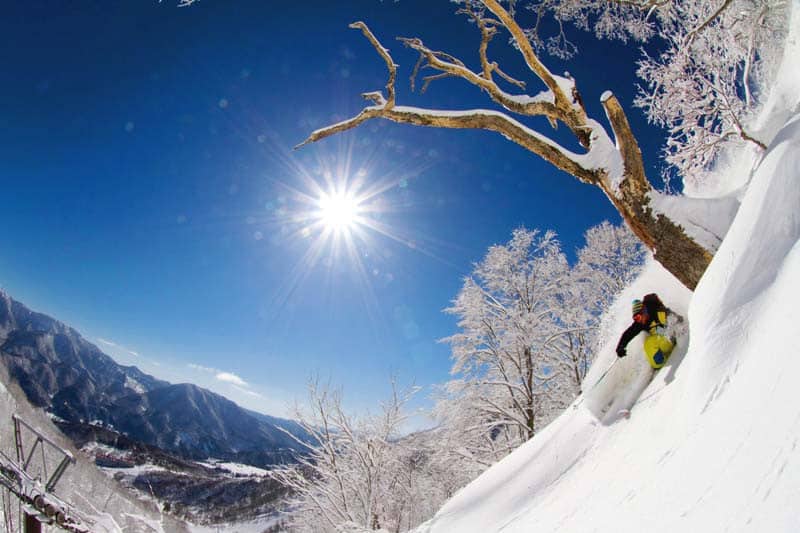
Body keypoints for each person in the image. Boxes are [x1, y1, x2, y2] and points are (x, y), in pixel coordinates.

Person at [615, 293, 679, 369]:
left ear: (643, 311)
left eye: (638, 317)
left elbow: (674, 318)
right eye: (635, 319)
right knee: (649, 340)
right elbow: (628, 334)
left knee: (648, 343)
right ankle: (659, 360)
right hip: (664, 341)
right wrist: (620, 347)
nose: (638, 320)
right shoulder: (640, 323)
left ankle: (660, 363)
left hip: (671, 337)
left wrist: (679, 328)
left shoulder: (657, 311)